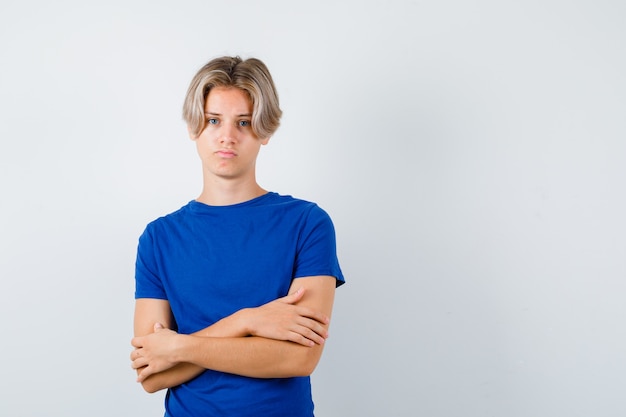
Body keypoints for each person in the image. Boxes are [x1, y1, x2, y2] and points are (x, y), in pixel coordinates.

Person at [130, 56, 345, 417]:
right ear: (194, 126)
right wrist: (246, 320)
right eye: (214, 120)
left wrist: (179, 347)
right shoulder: (159, 238)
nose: (227, 136)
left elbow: (300, 356)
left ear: (265, 129)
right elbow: (152, 373)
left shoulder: (307, 224)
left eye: (243, 122)